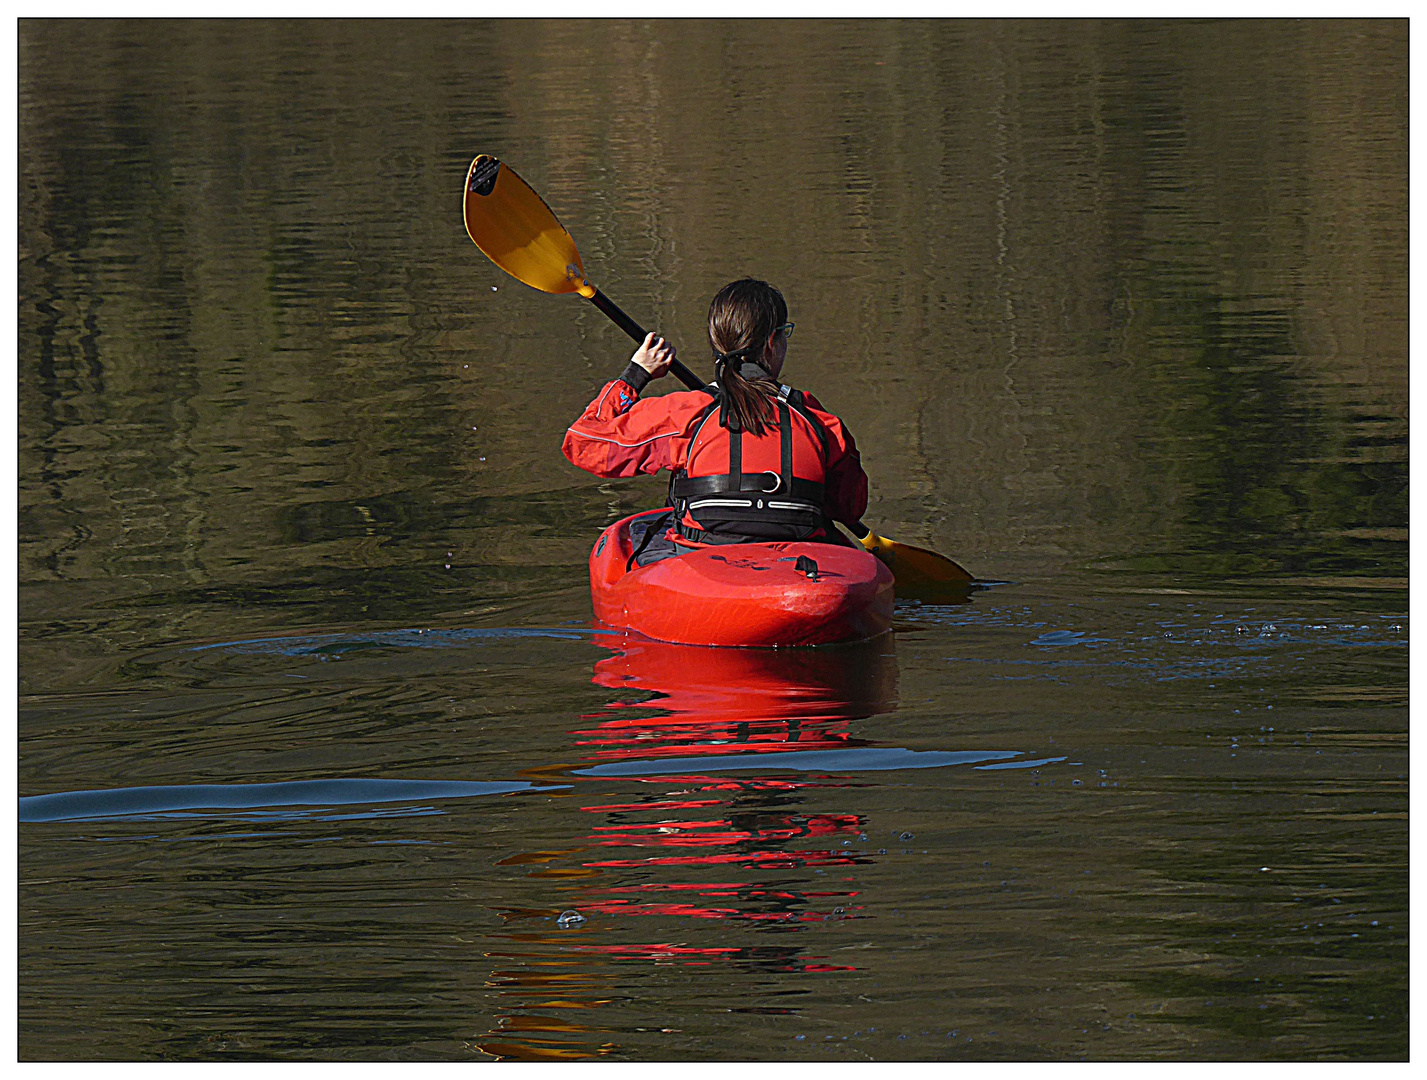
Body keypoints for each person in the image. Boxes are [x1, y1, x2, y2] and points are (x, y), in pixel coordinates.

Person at [562, 278, 869, 564]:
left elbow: (584, 444)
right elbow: (848, 508)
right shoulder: (818, 420)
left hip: (705, 560)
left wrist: (636, 375)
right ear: (772, 343)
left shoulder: (686, 414)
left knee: (638, 532)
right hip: (800, 563)